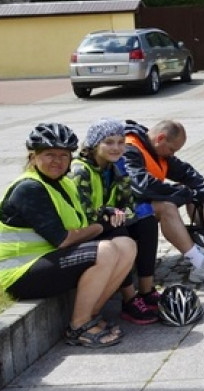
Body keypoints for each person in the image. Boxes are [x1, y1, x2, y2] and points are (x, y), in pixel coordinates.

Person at [1, 123, 136, 348]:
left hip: (49, 259)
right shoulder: (29, 189)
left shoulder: (64, 182)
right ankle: (78, 326)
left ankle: (91, 316)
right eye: (49, 155)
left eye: (64, 155)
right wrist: (100, 227)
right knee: (105, 250)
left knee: (126, 245)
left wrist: (105, 214)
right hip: (20, 272)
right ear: (33, 157)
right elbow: (64, 239)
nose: (57, 161)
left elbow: (82, 221)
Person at [124, 120, 204, 285]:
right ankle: (199, 264)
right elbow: (142, 187)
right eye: (172, 149)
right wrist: (183, 194)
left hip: (140, 206)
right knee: (167, 207)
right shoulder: (129, 149)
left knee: (192, 190)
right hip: (122, 213)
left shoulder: (156, 149)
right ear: (160, 138)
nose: (172, 154)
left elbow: (188, 173)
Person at [70, 118, 161, 325]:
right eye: (109, 142)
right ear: (94, 144)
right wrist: (108, 213)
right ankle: (129, 299)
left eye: (121, 142)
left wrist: (120, 213)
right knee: (118, 231)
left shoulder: (116, 168)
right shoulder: (80, 170)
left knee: (147, 222)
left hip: (107, 222)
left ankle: (146, 291)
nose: (116, 148)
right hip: (85, 230)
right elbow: (82, 213)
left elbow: (128, 204)